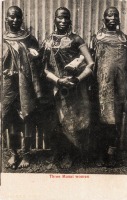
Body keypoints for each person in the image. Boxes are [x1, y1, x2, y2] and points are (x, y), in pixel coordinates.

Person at [41, 7, 94, 168]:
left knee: (77, 121)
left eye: (66, 18)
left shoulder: (76, 39)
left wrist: (77, 79)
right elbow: (43, 69)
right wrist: (57, 81)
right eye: (60, 18)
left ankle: (75, 155)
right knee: (61, 120)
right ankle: (62, 154)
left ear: (70, 21)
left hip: (76, 87)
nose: (63, 21)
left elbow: (91, 63)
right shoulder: (47, 41)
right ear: (55, 20)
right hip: (58, 87)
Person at [2, 6, 42, 169]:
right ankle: (13, 153)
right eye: (12, 17)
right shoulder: (2, 39)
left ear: (22, 19)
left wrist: (35, 56)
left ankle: (26, 153)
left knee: (27, 118)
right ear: (6, 19)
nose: (15, 20)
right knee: (9, 118)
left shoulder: (29, 39)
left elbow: (39, 61)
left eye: (18, 17)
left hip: (25, 84)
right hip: (8, 85)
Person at [90, 7, 127, 167]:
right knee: (100, 118)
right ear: (103, 18)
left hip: (119, 85)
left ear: (119, 19)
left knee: (116, 119)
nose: (112, 18)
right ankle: (100, 153)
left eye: (115, 15)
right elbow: (91, 62)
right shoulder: (96, 38)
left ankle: (112, 154)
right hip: (101, 85)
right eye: (109, 15)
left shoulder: (124, 39)